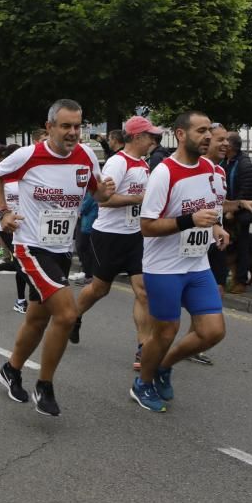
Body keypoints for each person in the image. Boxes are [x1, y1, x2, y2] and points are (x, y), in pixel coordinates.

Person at [0, 99, 114, 416]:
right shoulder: (29, 155)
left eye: (78, 126)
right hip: (31, 247)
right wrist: (3, 212)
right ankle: (44, 386)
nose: (73, 133)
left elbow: (97, 193)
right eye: (66, 126)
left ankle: (11, 369)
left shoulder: (86, 156)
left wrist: (105, 192)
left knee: (37, 318)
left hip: (61, 248)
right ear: (49, 127)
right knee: (67, 314)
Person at [131, 111, 230, 412]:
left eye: (209, 131)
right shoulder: (165, 173)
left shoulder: (211, 170)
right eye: (201, 131)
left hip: (197, 265)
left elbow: (207, 208)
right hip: (164, 268)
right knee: (165, 332)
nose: (208, 137)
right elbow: (147, 226)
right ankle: (142, 383)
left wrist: (215, 227)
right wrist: (190, 220)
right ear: (181, 134)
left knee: (213, 331)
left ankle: (164, 366)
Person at [72, 116, 160, 354]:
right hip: (109, 237)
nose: (154, 140)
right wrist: (138, 199)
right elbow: (104, 201)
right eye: (151, 135)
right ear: (138, 136)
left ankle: (143, 347)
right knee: (100, 289)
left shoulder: (143, 164)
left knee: (143, 291)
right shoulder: (118, 163)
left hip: (135, 236)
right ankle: (73, 316)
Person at [0, 144, 30, 313]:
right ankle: (21, 300)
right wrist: (1, 211)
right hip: (6, 225)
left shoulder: (28, 175)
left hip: (25, 225)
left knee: (23, 262)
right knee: (21, 261)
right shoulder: (2, 176)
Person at [222, 132, 252, 293]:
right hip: (226, 212)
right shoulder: (226, 161)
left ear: (230, 146)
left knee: (241, 246)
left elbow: (248, 190)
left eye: (224, 141)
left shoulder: (244, 163)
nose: (222, 144)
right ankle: (224, 277)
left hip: (241, 215)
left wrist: (233, 210)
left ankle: (241, 281)